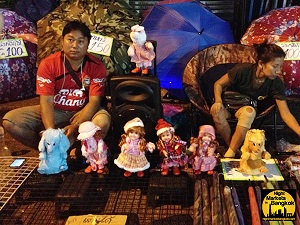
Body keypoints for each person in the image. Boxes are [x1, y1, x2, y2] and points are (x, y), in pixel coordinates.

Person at [2, 20, 111, 150]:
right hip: (56, 109)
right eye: (70, 40)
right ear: (61, 41)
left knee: (102, 122)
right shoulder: (48, 64)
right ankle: (52, 149)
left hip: (85, 110)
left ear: (88, 44)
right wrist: (50, 133)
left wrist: (77, 126)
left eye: (81, 41)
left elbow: (95, 101)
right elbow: (46, 100)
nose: (75, 45)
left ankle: (82, 150)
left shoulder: (97, 66)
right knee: (11, 120)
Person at [210, 40, 300, 158]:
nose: (278, 71)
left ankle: (230, 154)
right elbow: (218, 84)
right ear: (261, 63)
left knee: (249, 112)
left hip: (245, 109)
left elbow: (286, 113)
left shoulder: (276, 83)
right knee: (216, 112)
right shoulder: (243, 70)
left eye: (281, 66)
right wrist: (218, 101)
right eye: (275, 66)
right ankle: (234, 148)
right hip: (227, 104)